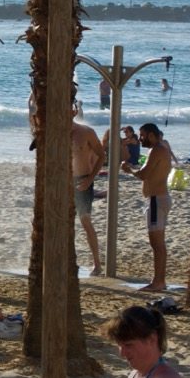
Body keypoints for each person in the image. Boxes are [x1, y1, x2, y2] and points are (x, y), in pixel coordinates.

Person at [122, 123, 173, 292]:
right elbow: (148, 171)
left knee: (156, 244)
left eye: (142, 135)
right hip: (159, 198)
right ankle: (159, 280)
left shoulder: (157, 150)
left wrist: (129, 170)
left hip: (155, 200)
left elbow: (144, 174)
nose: (140, 139)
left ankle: (158, 281)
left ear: (151, 135)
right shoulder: (163, 147)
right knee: (158, 243)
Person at [72, 113, 106, 276]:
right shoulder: (55, 131)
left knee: (85, 220)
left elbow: (101, 155)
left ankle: (97, 263)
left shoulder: (86, 132)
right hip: (63, 180)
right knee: (62, 221)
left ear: (72, 112)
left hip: (83, 179)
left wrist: (90, 179)